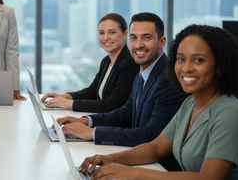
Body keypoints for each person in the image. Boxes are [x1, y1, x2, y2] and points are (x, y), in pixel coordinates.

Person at [79, 24, 238, 180]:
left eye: (198, 60)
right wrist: (110, 159)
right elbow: (155, 148)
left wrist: (133, 174)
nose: (186, 68)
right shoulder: (191, 103)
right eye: (180, 59)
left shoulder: (230, 114)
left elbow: (208, 178)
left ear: (220, 66)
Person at [57, 13, 186, 169]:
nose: (138, 45)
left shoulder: (168, 79)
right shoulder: (142, 74)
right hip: (140, 158)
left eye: (146, 38)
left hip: (160, 168)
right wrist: (86, 121)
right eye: (134, 38)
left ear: (162, 42)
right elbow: (126, 112)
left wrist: (93, 133)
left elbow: (151, 135)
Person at [41, 13, 138, 112]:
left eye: (112, 32)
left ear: (125, 34)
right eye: (101, 33)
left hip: (113, 123)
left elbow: (112, 104)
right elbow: (91, 92)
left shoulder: (130, 64)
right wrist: (66, 96)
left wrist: (70, 104)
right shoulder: (106, 61)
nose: (105, 38)